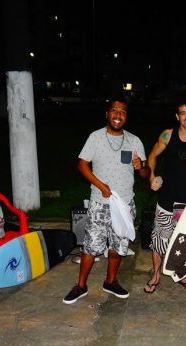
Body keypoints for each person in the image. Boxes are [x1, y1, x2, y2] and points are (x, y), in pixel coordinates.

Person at [63, 97, 150, 304]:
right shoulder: (95, 138)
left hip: (125, 204)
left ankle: (110, 281)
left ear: (126, 116)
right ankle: (81, 286)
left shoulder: (134, 141)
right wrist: (100, 185)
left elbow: (146, 174)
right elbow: (82, 164)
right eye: (114, 111)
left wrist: (141, 167)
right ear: (107, 114)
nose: (118, 115)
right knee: (91, 246)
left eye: (122, 112)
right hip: (99, 203)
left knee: (117, 246)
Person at [144, 97, 186, 293]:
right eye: (182, 113)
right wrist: (152, 176)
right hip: (167, 199)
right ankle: (156, 274)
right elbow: (152, 156)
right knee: (159, 239)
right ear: (177, 116)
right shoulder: (167, 135)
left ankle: (182, 274)